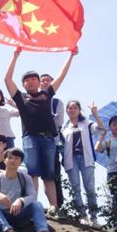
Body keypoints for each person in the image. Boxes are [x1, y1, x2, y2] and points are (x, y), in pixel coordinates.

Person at [4, 47, 76, 218]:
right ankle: (33, 204)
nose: (30, 81)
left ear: (39, 81)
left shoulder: (47, 94)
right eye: (26, 80)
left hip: (49, 138)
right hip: (30, 138)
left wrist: (71, 56)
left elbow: (61, 75)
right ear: (23, 84)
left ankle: (53, 206)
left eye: (33, 79)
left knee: (49, 175)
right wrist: (15, 57)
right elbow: (7, 79)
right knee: (32, 173)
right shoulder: (20, 97)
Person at [0, 148, 64, 232]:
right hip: (2, 215)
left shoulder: (25, 178)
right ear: (4, 160)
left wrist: (21, 200)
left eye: (16, 158)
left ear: (21, 162)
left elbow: (32, 196)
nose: (13, 160)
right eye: (10, 158)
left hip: (19, 214)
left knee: (37, 204)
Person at [61, 100, 104, 227]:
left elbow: (101, 129)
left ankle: (94, 217)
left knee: (90, 188)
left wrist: (95, 114)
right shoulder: (64, 127)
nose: (72, 110)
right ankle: (82, 215)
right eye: (70, 108)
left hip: (86, 158)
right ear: (67, 111)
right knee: (75, 187)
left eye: (75, 107)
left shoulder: (87, 123)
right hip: (71, 159)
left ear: (79, 110)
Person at [40, 73, 66, 210]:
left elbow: (58, 122)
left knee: (54, 173)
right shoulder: (34, 99)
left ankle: (58, 205)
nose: (45, 83)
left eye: (47, 81)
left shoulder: (57, 102)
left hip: (52, 141)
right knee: (37, 173)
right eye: (42, 81)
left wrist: (43, 119)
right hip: (36, 141)